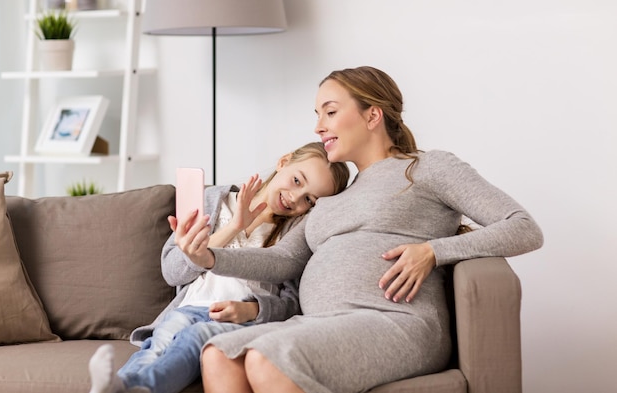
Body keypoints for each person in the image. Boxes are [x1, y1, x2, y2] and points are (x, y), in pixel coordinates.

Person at [176, 66, 544, 393]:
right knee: (218, 355)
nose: (319, 125)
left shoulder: (427, 169)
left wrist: (434, 251)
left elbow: (523, 228)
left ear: (372, 116)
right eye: (318, 114)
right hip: (319, 325)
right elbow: (283, 260)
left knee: (265, 358)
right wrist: (209, 256)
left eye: (331, 112)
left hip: (396, 323)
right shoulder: (329, 200)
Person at [87, 141, 350, 393]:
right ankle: (121, 386)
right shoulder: (213, 200)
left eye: (309, 200)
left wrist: (252, 310)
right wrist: (234, 227)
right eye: (296, 181)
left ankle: (132, 387)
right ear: (284, 162)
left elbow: (292, 302)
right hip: (189, 309)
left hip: (237, 323)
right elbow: (172, 272)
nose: (295, 198)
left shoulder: (294, 234)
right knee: (157, 346)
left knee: (195, 337)